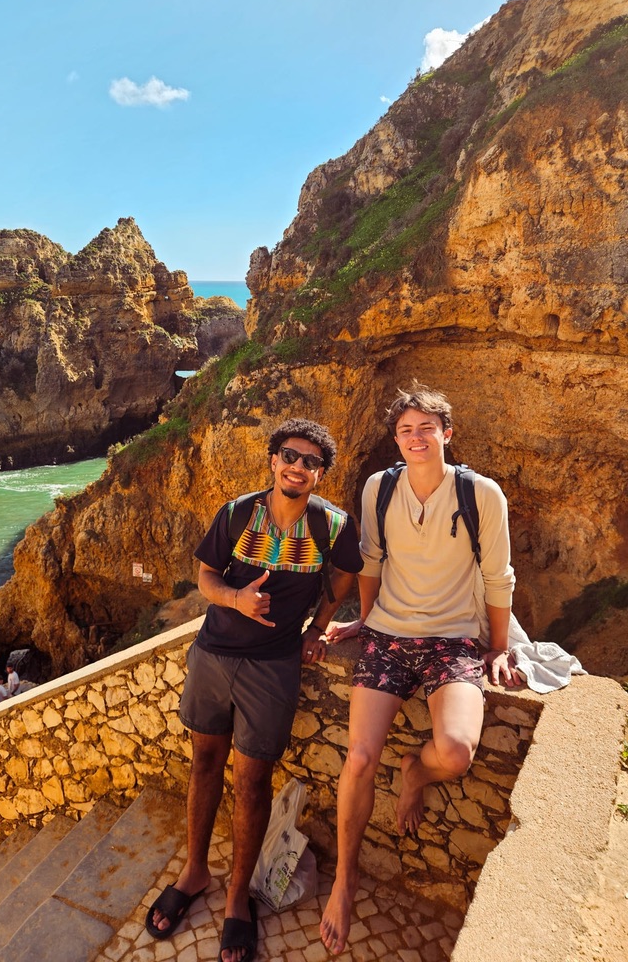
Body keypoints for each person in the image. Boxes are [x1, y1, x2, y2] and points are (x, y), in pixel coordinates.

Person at [145, 418, 363, 962]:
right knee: (203, 764)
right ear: (273, 460)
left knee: (251, 780)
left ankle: (237, 899)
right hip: (213, 655)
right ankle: (194, 872)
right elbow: (205, 577)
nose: (298, 466)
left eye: (310, 461)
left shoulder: (332, 526)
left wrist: (318, 628)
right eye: (289, 455)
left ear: (320, 473)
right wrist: (236, 600)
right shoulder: (238, 513)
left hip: (272, 666)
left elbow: (345, 579)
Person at [320, 382, 519, 955]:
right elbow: (372, 562)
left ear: (446, 433)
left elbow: (497, 577)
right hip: (387, 635)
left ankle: (415, 771)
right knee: (358, 756)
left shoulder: (482, 495)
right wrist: (362, 619)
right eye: (405, 430)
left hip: (453, 638)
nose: (415, 439)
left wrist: (499, 646)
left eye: (425, 428)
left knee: (455, 752)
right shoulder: (379, 489)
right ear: (396, 438)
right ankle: (345, 881)